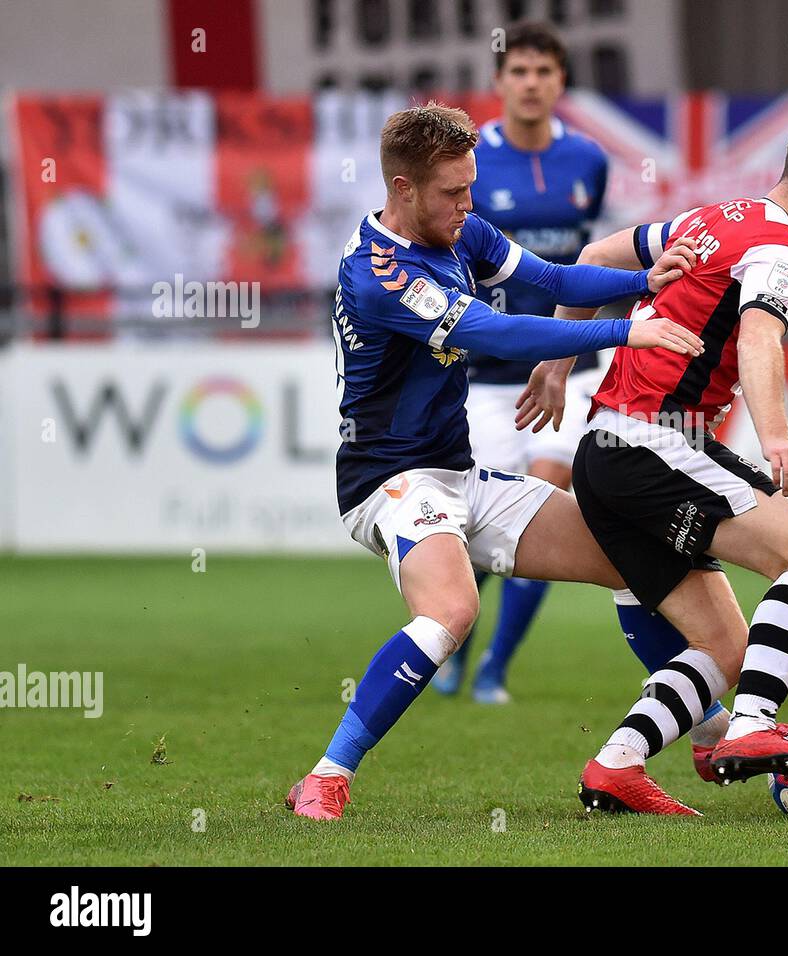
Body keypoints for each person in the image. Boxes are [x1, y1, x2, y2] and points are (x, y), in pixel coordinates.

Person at [284, 102, 704, 820]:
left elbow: (552, 281)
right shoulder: (380, 276)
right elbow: (498, 332)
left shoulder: (460, 230)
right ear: (402, 187)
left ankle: (707, 735)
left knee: (633, 554)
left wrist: (645, 281)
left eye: (470, 187)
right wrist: (630, 332)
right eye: (452, 192)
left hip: (460, 474)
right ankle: (326, 777)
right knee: (453, 609)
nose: (467, 204)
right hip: (391, 481)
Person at [515, 109, 788, 814]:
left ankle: (616, 765)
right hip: (653, 438)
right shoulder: (783, 249)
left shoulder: (713, 217)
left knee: (725, 644)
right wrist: (776, 436)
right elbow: (759, 343)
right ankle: (749, 727)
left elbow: (594, 259)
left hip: (605, 454)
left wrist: (559, 367)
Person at [434, 22, 614, 705]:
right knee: (478, 522)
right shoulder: (473, 159)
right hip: (486, 376)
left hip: (567, 366)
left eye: (545, 71)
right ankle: (455, 648)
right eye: (520, 72)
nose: (532, 83)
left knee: (543, 501)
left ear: (560, 82)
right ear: (501, 82)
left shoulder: (590, 161)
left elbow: (588, 260)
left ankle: (494, 669)